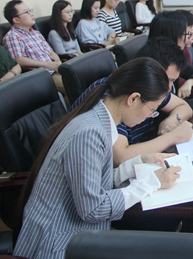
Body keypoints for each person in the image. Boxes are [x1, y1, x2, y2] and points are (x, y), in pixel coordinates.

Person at [14, 58, 182, 259]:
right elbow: (93, 208)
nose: (149, 116)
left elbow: (96, 181)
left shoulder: (98, 121)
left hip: (77, 234)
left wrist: (137, 162)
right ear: (133, 99)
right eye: (151, 109)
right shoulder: (89, 133)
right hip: (57, 244)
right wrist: (151, 183)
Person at [71, 42, 193, 166]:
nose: (169, 88)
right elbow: (120, 158)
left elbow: (184, 107)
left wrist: (168, 122)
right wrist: (172, 137)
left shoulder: (149, 89)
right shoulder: (115, 99)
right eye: (168, 80)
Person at [3, 0, 65, 94]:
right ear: (16, 20)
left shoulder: (36, 33)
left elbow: (51, 52)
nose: (32, 14)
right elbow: (18, 60)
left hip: (55, 69)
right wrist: (47, 65)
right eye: (26, 12)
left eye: (30, 10)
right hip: (42, 75)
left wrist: (57, 63)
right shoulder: (12, 36)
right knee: (75, 84)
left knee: (84, 81)